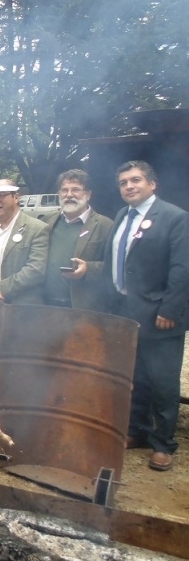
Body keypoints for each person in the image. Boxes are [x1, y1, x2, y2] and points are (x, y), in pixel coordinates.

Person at [105, 161, 189, 471]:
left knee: (163, 381)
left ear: (152, 184)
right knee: (134, 376)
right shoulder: (121, 217)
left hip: (160, 315)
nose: (129, 186)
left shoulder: (175, 218)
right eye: (124, 181)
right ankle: (136, 431)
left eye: (136, 180)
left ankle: (163, 443)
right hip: (126, 313)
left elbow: (182, 270)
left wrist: (170, 309)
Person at [42, 169, 113, 311]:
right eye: (64, 190)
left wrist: (89, 269)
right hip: (45, 304)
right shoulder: (47, 221)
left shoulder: (106, 225)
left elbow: (114, 268)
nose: (69, 195)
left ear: (88, 194)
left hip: (84, 306)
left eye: (75, 190)